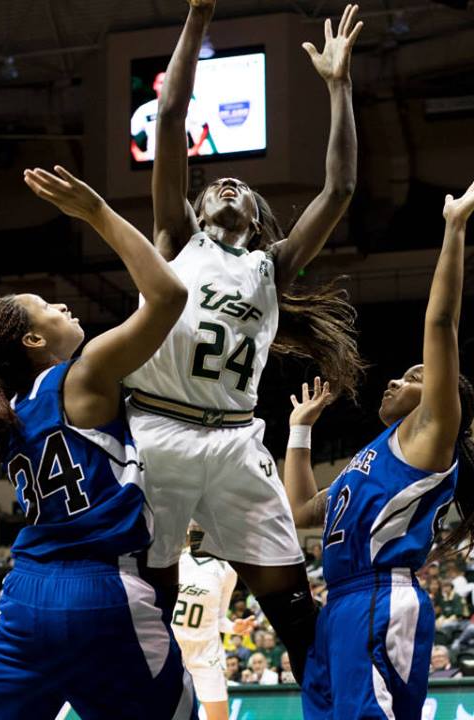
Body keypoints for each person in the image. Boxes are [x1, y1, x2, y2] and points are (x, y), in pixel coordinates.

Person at [130, 0, 366, 686]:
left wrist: (338, 85)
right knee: (152, 610)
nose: (226, 184)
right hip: (159, 433)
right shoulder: (176, 239)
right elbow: (170, 118)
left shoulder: (271, 266)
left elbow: (341, 186)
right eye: (216, 184)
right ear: (197, 210)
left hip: (236, 442)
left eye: (242, 187)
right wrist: (198, 20)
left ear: (259, 220)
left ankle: (332, 704)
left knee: (296, 615)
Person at [0, 164, 194, 720]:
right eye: (49, 307)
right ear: (33, 339)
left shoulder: (8, 414)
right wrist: (96, 211)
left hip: (26, 595)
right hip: (102, 588)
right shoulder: (80, 375)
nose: (64, 307)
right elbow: (170, 295)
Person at [284, 173, 474, 720]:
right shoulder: (374, 453)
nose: (395, 380)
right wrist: (300, 431)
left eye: (414, 376)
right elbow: (302, 512)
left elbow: (440, 321)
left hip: (380, 598)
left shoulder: (431, 434)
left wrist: (455, 228)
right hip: (340, 603)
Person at [172, 524, 255, 720]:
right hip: (173, 648)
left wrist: (235, 627)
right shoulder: (174, 560)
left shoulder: (227, 570)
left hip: (206, 653)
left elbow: (218, 618)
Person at [130, 71, 211, 162]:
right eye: (161, 82)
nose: (165, 85)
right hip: (154, 162)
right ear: (154, 85)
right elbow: (129, 133)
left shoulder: (188, 105)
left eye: (169, 82)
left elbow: (205, 126)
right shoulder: (145, 110)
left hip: (181, 161)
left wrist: (195, 149)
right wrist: (137, 153)